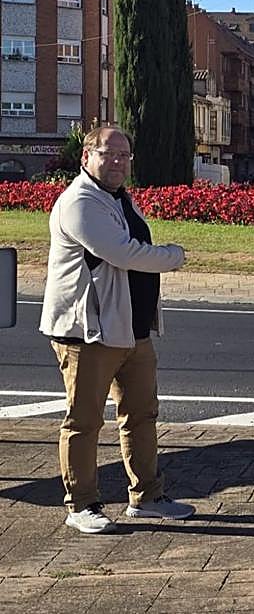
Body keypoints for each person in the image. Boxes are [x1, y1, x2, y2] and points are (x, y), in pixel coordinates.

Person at [39, 125, 193, 534]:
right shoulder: (79, 202)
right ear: (87, 155)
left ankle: (148, 497)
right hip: (88, 333)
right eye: (109, 154)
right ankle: (82, 505)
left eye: (125, 155)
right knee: (84, 422)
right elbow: (121, 253)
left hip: (131, 330)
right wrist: (172, 256)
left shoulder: (119, 198)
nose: (118, 162)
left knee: (141, 414)